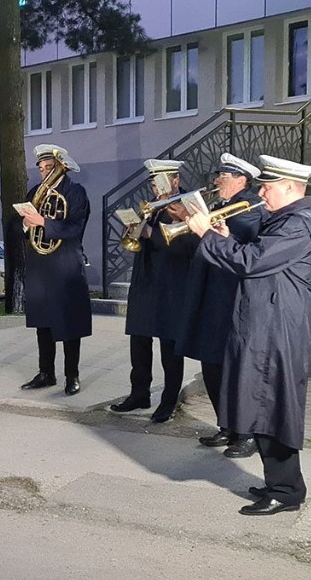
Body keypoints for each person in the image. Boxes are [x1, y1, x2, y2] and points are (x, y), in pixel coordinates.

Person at [185, 155, 311, 516]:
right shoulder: (284, 219)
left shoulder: (297, 224)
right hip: (267, 325)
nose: (261, 192)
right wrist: (224, 237)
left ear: (290, 187)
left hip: (278, 330)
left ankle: (286, 491)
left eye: (268, 186)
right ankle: (281, 484)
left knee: (273, 407)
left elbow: (252, 263)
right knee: (262, 405)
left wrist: (207, 235)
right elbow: (253, 256)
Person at [176, 154, 263, 456]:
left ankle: (246, 433)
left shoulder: (250, 207)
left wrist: (207, 230)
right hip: (210, 295)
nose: (216, 181)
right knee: (211, 364)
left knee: (234, 368)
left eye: (222, 177)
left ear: (241, 179)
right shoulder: (219, 207)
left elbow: (239, 248)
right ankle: (226, 426)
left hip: (232, 298)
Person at [110, 159, 197, 423]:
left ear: (175, 181)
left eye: (160, 180)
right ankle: (139, 393)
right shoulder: (152, 206)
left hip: (172, 285)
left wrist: (150, 234)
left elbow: (189, 246)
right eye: (152, 181)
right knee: (139, 341)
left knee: (170, 347)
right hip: (146, 282)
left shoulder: (187, 205)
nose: (155, 186)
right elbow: (143, 239)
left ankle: (169, 400)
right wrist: (134, 229)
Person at [19, 145, 91, 396]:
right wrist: (26, 224)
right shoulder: (33, 193)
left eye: (49, 167)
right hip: (40, 265)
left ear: (61, 167)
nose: (44, 172)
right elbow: (19, 228)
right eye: (41, 168)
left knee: (70, 323)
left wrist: (44, 222)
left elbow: (74, 228)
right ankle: (46, 373)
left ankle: (72, 375)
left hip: (65, 265)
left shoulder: (75, 192)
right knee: (43, 323)